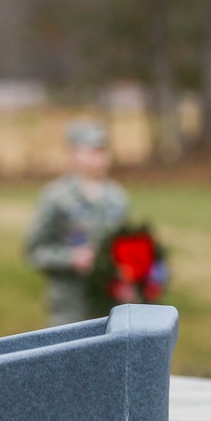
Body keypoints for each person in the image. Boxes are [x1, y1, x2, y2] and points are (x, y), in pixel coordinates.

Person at [25, 119, 129, 326]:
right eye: (92, 151)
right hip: (71, 309)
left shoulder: (117, 197)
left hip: (110, 306)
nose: (100, 158)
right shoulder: (56, 197)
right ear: (73, 155)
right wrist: (71, 258)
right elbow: (35, 251)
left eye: (103, 151)